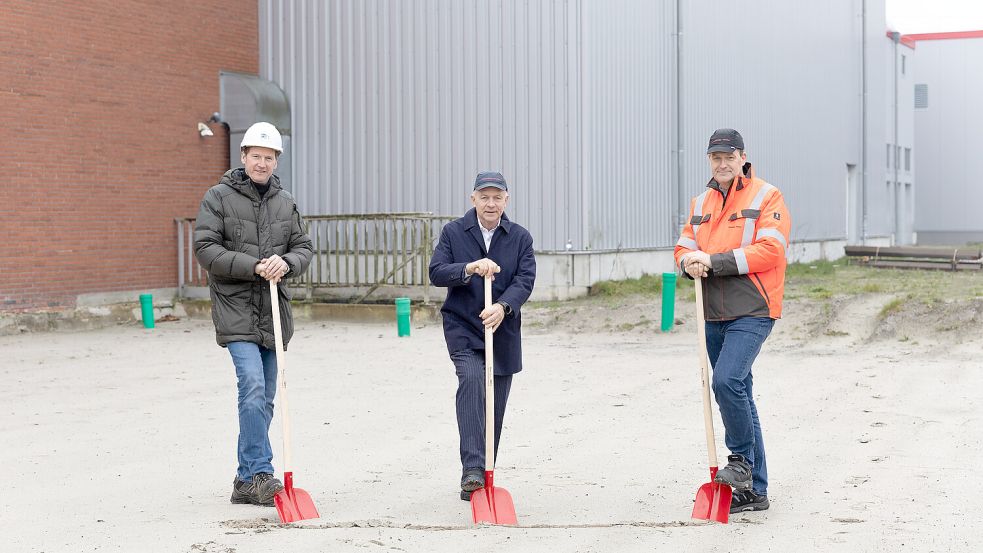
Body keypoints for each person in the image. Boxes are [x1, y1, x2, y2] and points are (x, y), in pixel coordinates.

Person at [194, 122, 313, 507]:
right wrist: (254, 265)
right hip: (236, 311)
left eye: (269, 157)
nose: (262, 163)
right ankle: (262, 472)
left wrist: (287, 262)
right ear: (243, 157)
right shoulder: (218, 197)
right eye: (256, 156)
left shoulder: (285, 201)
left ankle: (244, 480)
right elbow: (205, 249)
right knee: (253, 388)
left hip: (273, 313)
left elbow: (304, 248)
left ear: (276, 161)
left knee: (264, 399)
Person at [673, 128, 791, 514]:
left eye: (729, 156)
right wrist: (686, 263)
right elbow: (685, 246)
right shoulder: (701, 201)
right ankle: (755, 490)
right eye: (715, 157)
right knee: (739, 390)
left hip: (753, 307)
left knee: (726, 381)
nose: (722, 163)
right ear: (710, 160)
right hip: (711, 310)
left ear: (743, 157)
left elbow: (771, 249)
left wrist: (714, 261)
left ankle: (739, 461)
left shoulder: (766, 195)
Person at [429, 171, 536, 500]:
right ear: (473, 199)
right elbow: (436, 272)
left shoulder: (520, 237)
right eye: (484, 197)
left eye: (497, 197)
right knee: (472, 380)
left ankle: (484, 475)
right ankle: (472, 469)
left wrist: (503, 307)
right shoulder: (453, 233)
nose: (491, 203)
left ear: (506, 200)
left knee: (495, 407)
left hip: (501, 331)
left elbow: (525, 280)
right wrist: (469, 268)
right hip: (463, 327)